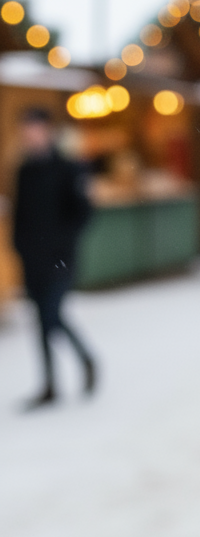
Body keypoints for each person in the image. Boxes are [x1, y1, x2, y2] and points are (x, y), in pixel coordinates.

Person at [12, 107, 96, 408]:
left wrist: (62, 243)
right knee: (42, 320)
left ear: (47, 130)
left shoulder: (68, 169)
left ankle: (84, 360)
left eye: (34, 129)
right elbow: (20, 214)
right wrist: (19, 246)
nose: (30, 135)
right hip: (32, 259)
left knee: (51, 316)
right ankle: (50, 383)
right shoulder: (25, 170)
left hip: (60, 259)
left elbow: (83, 212)